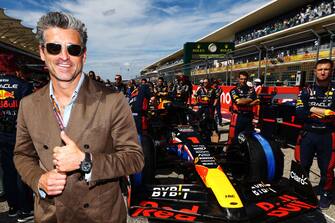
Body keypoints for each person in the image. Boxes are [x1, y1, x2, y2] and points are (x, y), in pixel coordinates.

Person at [13, 12, 144, 223]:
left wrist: (86, 162)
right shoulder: (28, 105)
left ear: (83, 55)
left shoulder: (113, 100)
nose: (64, 57)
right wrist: (38, 179)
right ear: (42, 52)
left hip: (101, 217)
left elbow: (134, 159)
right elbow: (22, 155)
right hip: (49, 216)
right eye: (54, 48)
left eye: (73, 49)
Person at [295, 58, 335, 210]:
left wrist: (311, 109)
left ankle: (326, 193)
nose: (323, 72)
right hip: (308, 134)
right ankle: (301, 191)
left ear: (331, 71)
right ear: (315, 72)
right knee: (303, 165)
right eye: (320, 69)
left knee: (327, 168)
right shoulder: (306, 91)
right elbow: (299, 113)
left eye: (326, 69)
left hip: (328, 135)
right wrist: (323, 113)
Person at [0, 72, 34, 222]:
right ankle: (26, 209)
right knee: (22, 170)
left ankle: (13, 206)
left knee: (8, 172)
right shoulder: (22, 85)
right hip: (18, 134)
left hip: (1, 134)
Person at [227, 71, 259, 145]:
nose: (243, 81)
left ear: (247, 79)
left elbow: (257, 101)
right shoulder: (233, 90)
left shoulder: (251, 89)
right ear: (238, 79)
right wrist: (251, 100)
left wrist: (245, 102)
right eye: (241, 79)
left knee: (247, 137)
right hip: (238, 117)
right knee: (235, 137)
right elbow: (239, 102)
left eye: (245, 79)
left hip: (249, 116)